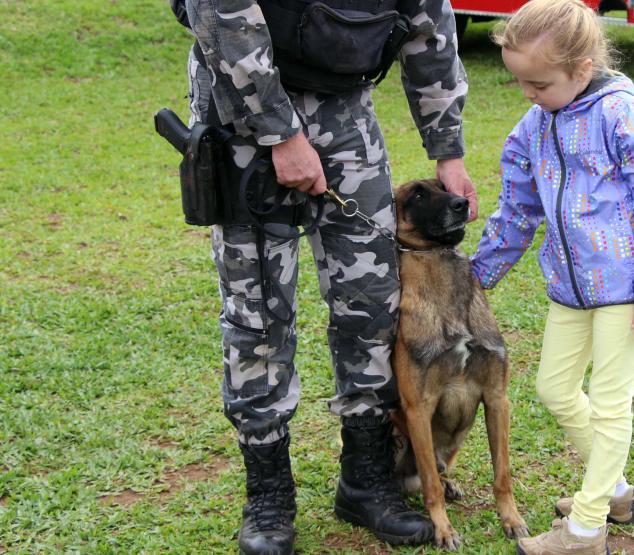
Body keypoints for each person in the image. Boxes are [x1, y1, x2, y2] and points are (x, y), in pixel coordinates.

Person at [171, 0, 477, 553]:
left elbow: (428, 21)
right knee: (258, 313)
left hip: (345, 107)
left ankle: (367, 480)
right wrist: (280, 133)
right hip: (242, 110)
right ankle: (269, 495)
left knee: (375, 304)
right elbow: (220, 10)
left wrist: (447, 148)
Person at [469, 1, 634, 553]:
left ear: (583, 68)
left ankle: (587, 529)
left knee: (612, 404)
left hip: (626, 288)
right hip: (569, 288)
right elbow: (517, 210)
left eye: (539, 83)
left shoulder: (624, 116)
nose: (528, 94)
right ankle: (615, 491)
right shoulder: (534, 125)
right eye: (520, 82)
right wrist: (475, 278)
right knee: (555, 388)